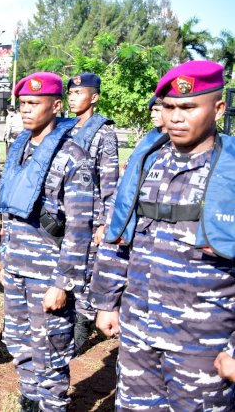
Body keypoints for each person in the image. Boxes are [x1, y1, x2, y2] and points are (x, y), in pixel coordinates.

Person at [90, 60, 235, 410]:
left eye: (188, 107)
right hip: (139, 330)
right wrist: (107, 301)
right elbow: (118, 232)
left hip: (204, 340)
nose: (175, 118)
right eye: (168, 107)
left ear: (218, 108)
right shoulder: (147, 160)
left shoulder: (230, 171)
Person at [0, 72, 95, 411]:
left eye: (34, 104)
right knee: (18, 341)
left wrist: (63, 283)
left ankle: (51, 404)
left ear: (55, 106)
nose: (26, 110)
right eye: (23, 104)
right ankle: (31, 400)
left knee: (50, 350)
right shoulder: (20, 146)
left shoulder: (74, 157)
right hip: (17, 267)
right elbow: (9, 210)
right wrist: (5, 261)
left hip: (48, 273)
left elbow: (80, 228)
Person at [65, 73, 119, 352]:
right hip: (65, 213)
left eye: (79, 93)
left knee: (86, 272)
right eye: (70, 93)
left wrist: (104, 225)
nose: (72, 97)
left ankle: (82, 325)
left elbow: (109, 183)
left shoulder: (104, 133)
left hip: (92, 214)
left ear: (94, 97)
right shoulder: (64, 127)